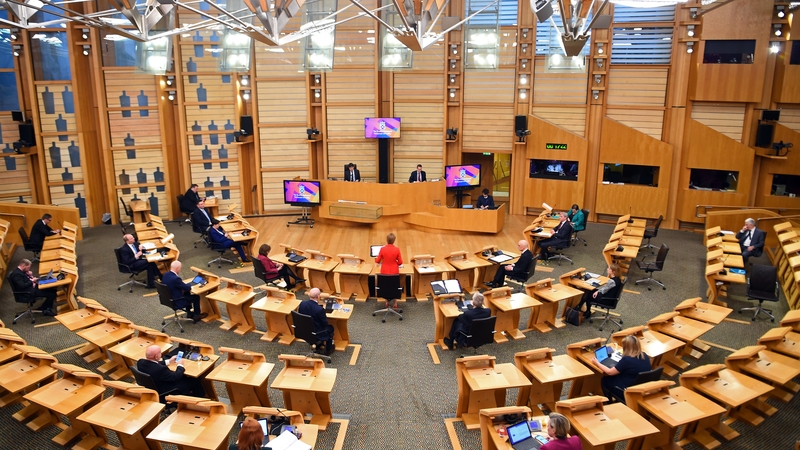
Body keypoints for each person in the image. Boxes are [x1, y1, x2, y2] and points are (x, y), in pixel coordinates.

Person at [593, 335, 650, 401]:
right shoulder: (644, 355)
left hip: (625, 389)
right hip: (639, 386)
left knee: (605, 380)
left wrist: (597, 363)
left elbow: (609, 372)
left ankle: (609, 401)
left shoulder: (627, 360)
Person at [136, 344, 206, 397]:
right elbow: (175, 377)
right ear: (156, 356)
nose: (161, 354)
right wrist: (180, 365)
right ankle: (198, 397)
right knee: (195, 379)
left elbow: (153, 364)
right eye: (160, 353)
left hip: (154, 385)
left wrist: (169, 361)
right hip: (167, 389)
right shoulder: (161, 369)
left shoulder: (140, 362)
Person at [298, 288, 334, 355]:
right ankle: (329, 349)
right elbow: (325, 324)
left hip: (305, 331)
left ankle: (319, 345)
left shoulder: (302, 304)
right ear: (318, 296)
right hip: (317, 333)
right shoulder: (319, 309)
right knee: (330, 328)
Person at [375, 233, 403, 308]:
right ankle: (395, 303)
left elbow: (377, 261)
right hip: (394, 271)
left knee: (385, 285)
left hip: (384, 271)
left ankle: (386, 302)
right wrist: (395, 262)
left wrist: (383, 260)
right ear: (394, 240)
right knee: (394, 286)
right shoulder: (397, 249)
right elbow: (400, 262)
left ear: (387, 240)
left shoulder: (382, 249)